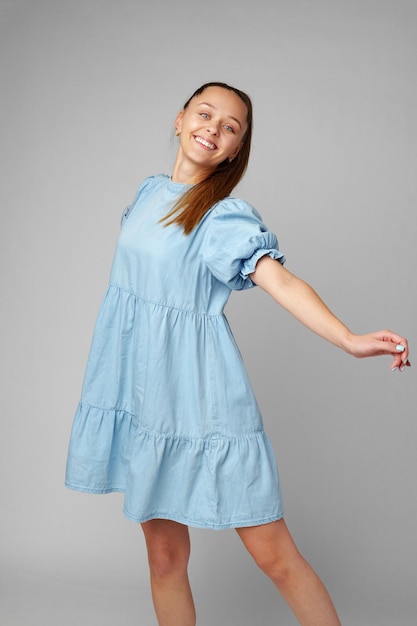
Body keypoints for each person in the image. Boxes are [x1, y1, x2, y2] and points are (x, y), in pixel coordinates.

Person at [65, 82, 410, 626]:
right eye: (205, 114)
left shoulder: (222, 218)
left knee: (274, 557)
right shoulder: (149, 192)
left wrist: (349, 338)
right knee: (164, 558)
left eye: (231, 128)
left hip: (201, 395)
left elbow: (282, 282)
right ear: (179, 120)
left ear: (235, 150)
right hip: (143, 392)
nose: (214, 129)